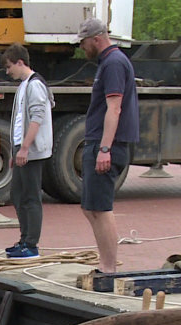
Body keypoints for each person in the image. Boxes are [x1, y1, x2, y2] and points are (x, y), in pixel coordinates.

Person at [75, 18, 139, 273]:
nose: (82, 48)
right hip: (101, 142)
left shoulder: (113, 63)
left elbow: (114, 107)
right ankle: (106, 263)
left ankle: (108, 268)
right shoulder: (110, 62)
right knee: (90, 207)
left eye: (83, 42)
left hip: (107, 145)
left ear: (96, 39)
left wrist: (104, 149)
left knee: (100, 208)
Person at [1, 43, 54, 259]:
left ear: (20, 62)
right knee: (17, 194)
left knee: (31, 196)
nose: (7, 71)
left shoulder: (35, 85)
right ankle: (24, 239)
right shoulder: (24, 85)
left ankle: (31, 244)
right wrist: (16, 150)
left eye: (9, 66)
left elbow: (37, 116)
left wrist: (25, 147)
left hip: (31, 150)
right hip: (21, 149)